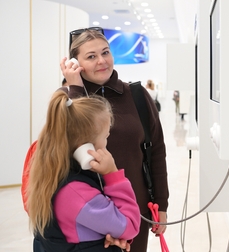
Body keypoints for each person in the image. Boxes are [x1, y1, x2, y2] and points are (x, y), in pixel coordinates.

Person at [61, 27, 169, 251]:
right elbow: (72, 140)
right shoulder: (68, 100)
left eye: (105, 52)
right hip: (87, 212)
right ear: (75, 62)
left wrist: (161, 204)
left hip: (133, 207)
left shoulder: (137, 95)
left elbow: (156, 151)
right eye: (91, 56)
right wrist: (76, 89)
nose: (102, 61)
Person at [27, 90, 141, 251]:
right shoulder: (77, 192)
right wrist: (113, 175)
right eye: (105, 137)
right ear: (85, 148)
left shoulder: (54, 176)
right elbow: (130, 225)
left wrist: (113, 234)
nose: (106, 144)